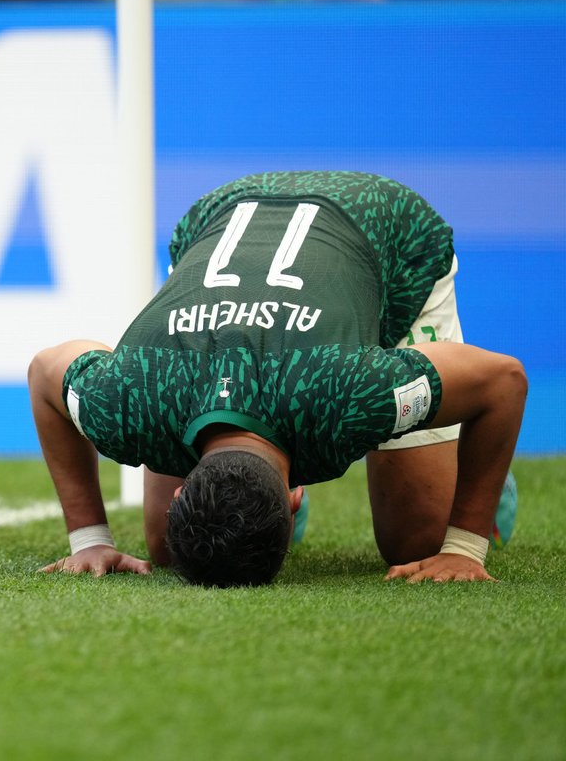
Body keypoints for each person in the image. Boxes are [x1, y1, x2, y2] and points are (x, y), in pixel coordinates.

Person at [28, 171, 525, 587]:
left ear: (294, 497)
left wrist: (463, 546)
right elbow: (45, 372)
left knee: (419, 540)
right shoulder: (133, 397)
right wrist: (89, 540)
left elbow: (500, 381)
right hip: (224, 221)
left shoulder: (348, 394)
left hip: (383, 228)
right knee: (170, 546)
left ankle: (477, 472)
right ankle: (251, 504)